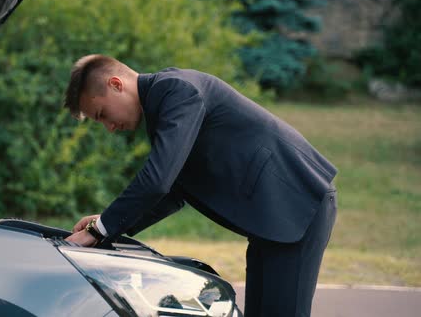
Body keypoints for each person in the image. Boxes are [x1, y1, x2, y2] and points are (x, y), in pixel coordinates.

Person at [63, 54, 337, 317]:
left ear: (115, 84)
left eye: (101, 114)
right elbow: (173, 192)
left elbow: (158, 181)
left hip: (297, 205)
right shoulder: (163, 104)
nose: (108, 127)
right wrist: (107, 225)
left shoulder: (177, 91)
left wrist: (101, 229)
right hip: (271, 220)